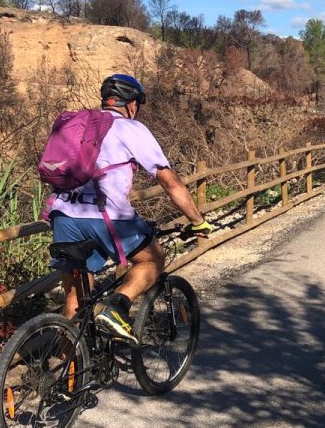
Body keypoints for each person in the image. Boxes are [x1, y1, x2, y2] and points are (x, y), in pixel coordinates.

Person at [46, 73, 211, 343]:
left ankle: (72, 366)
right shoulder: (129, 128)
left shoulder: (79, 124)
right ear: (132, 104)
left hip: (62, 213)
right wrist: (197, 220)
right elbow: (169, 182)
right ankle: (117, 307)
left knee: (74, 301)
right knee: (152, 259)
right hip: (106, 215)